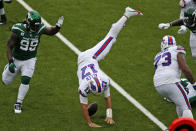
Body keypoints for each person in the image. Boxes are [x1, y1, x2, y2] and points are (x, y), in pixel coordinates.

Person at [77, 6, 143, 127]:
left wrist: (95, 121)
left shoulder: (99, 82)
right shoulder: (90, 85)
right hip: (88, 61)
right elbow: (85, 106)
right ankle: (121, 22)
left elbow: (101, 100)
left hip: (90, 57)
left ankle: (127, 14)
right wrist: (92, 123)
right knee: (111, 37)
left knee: (111, 37)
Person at [2, 10, 64, 113]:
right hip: (16, 58)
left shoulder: (40, 28)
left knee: (26, 79)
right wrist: (10, 62)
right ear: (28, 23)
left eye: (37, 26)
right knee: (5, 81)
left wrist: (58, 26)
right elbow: (9, 46)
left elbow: (51, 32)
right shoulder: (18, 29)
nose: (36, 28)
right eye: (34, 26)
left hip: (30, 59)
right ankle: (7, 69)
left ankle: (18, 103)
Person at [153, 35, 196, 118]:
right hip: (171, 81)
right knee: (186, 107)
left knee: (179, 104)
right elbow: (185, 68)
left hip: (157, 84)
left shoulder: (157, 55)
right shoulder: (177, 49)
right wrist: (193, 83)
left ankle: (181, 126)